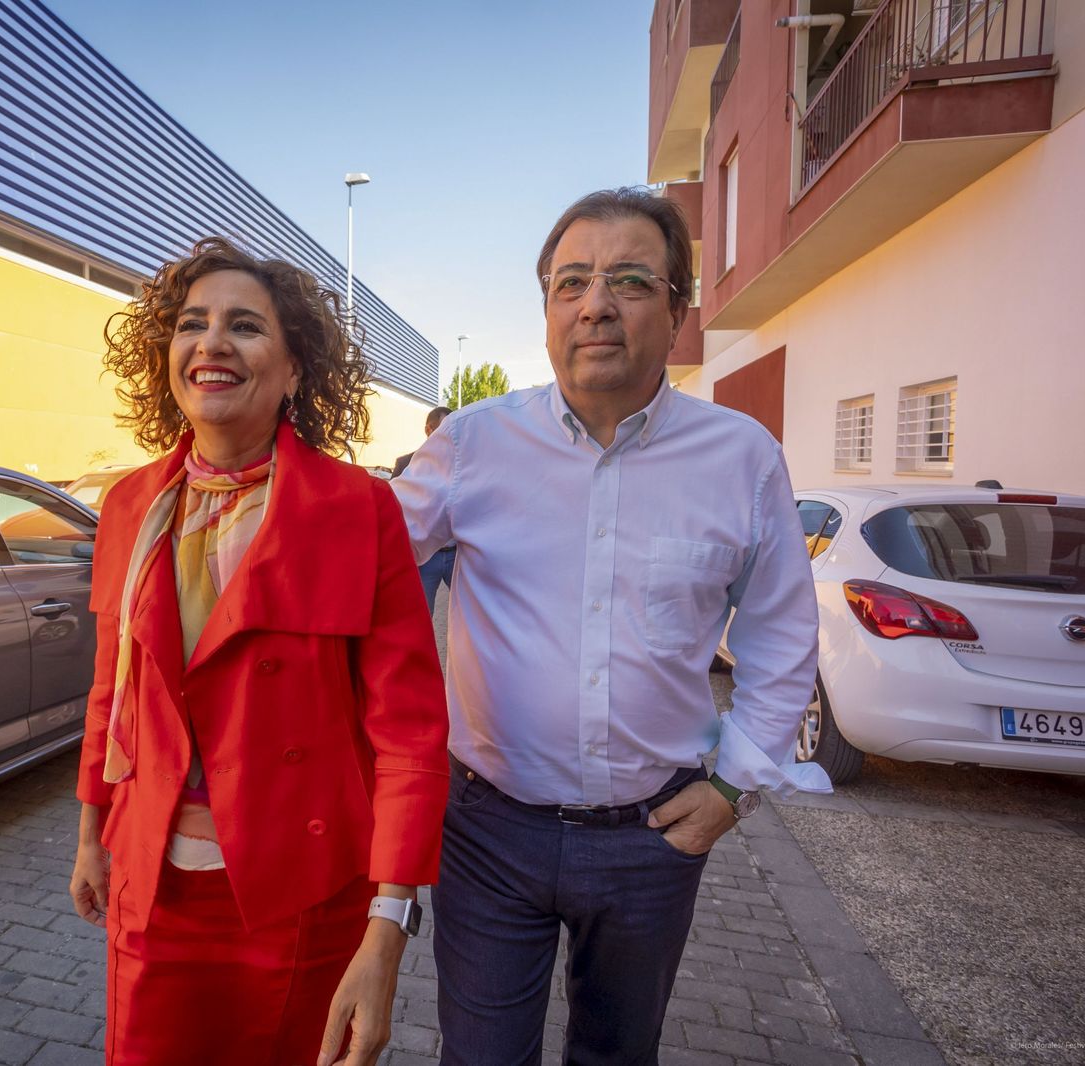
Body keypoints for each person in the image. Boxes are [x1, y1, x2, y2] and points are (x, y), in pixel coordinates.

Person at [392, 187, 830, 1066]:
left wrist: (736, 787)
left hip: (652, 837)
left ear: (678, 310)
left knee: (619, 1055)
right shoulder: (472, 444)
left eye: (630, 279)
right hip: (487, 833)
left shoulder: (740, 457)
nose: (595, 304)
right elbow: (351, 566)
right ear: (549, 310)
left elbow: (782, 634)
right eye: (571, 283)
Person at [69, 237, 449, 1065]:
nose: (211, 343)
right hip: (152, 886)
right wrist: (91, 832)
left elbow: (410, 735)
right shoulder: (130, 504)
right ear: (167, 356)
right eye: (192, 325)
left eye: (244, 327)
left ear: (293, 370)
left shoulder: (358, 509)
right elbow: (112, 690)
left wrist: (388, 929)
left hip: (301, 896)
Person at [392, 406, 456, 613]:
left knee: (468, 617)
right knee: (420, 615)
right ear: (428, 429)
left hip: (457, 555)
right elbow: (394, 509)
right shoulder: (405, 463)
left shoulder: (462, 462)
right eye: (442, 428)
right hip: (425, 559)